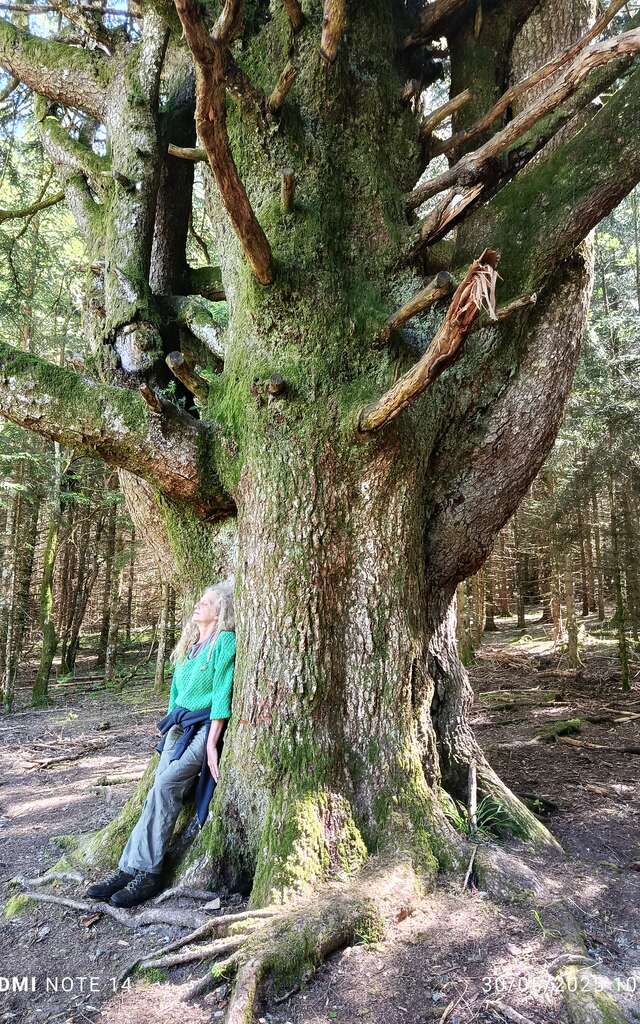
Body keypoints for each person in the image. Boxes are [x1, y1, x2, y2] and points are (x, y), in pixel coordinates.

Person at [85, 579, 236, 908]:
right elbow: (175, 695)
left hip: (204, 726)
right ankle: (128, 869)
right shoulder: (189, 644)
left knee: (167, 785)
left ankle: (150, 874)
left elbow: (223, 693)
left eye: (207, 602)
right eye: (200, 599)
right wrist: (167, 731)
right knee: (157, 788)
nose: (199, 605)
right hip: (178, 728)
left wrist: (212, 743)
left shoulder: (224, 642)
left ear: (220, 611)